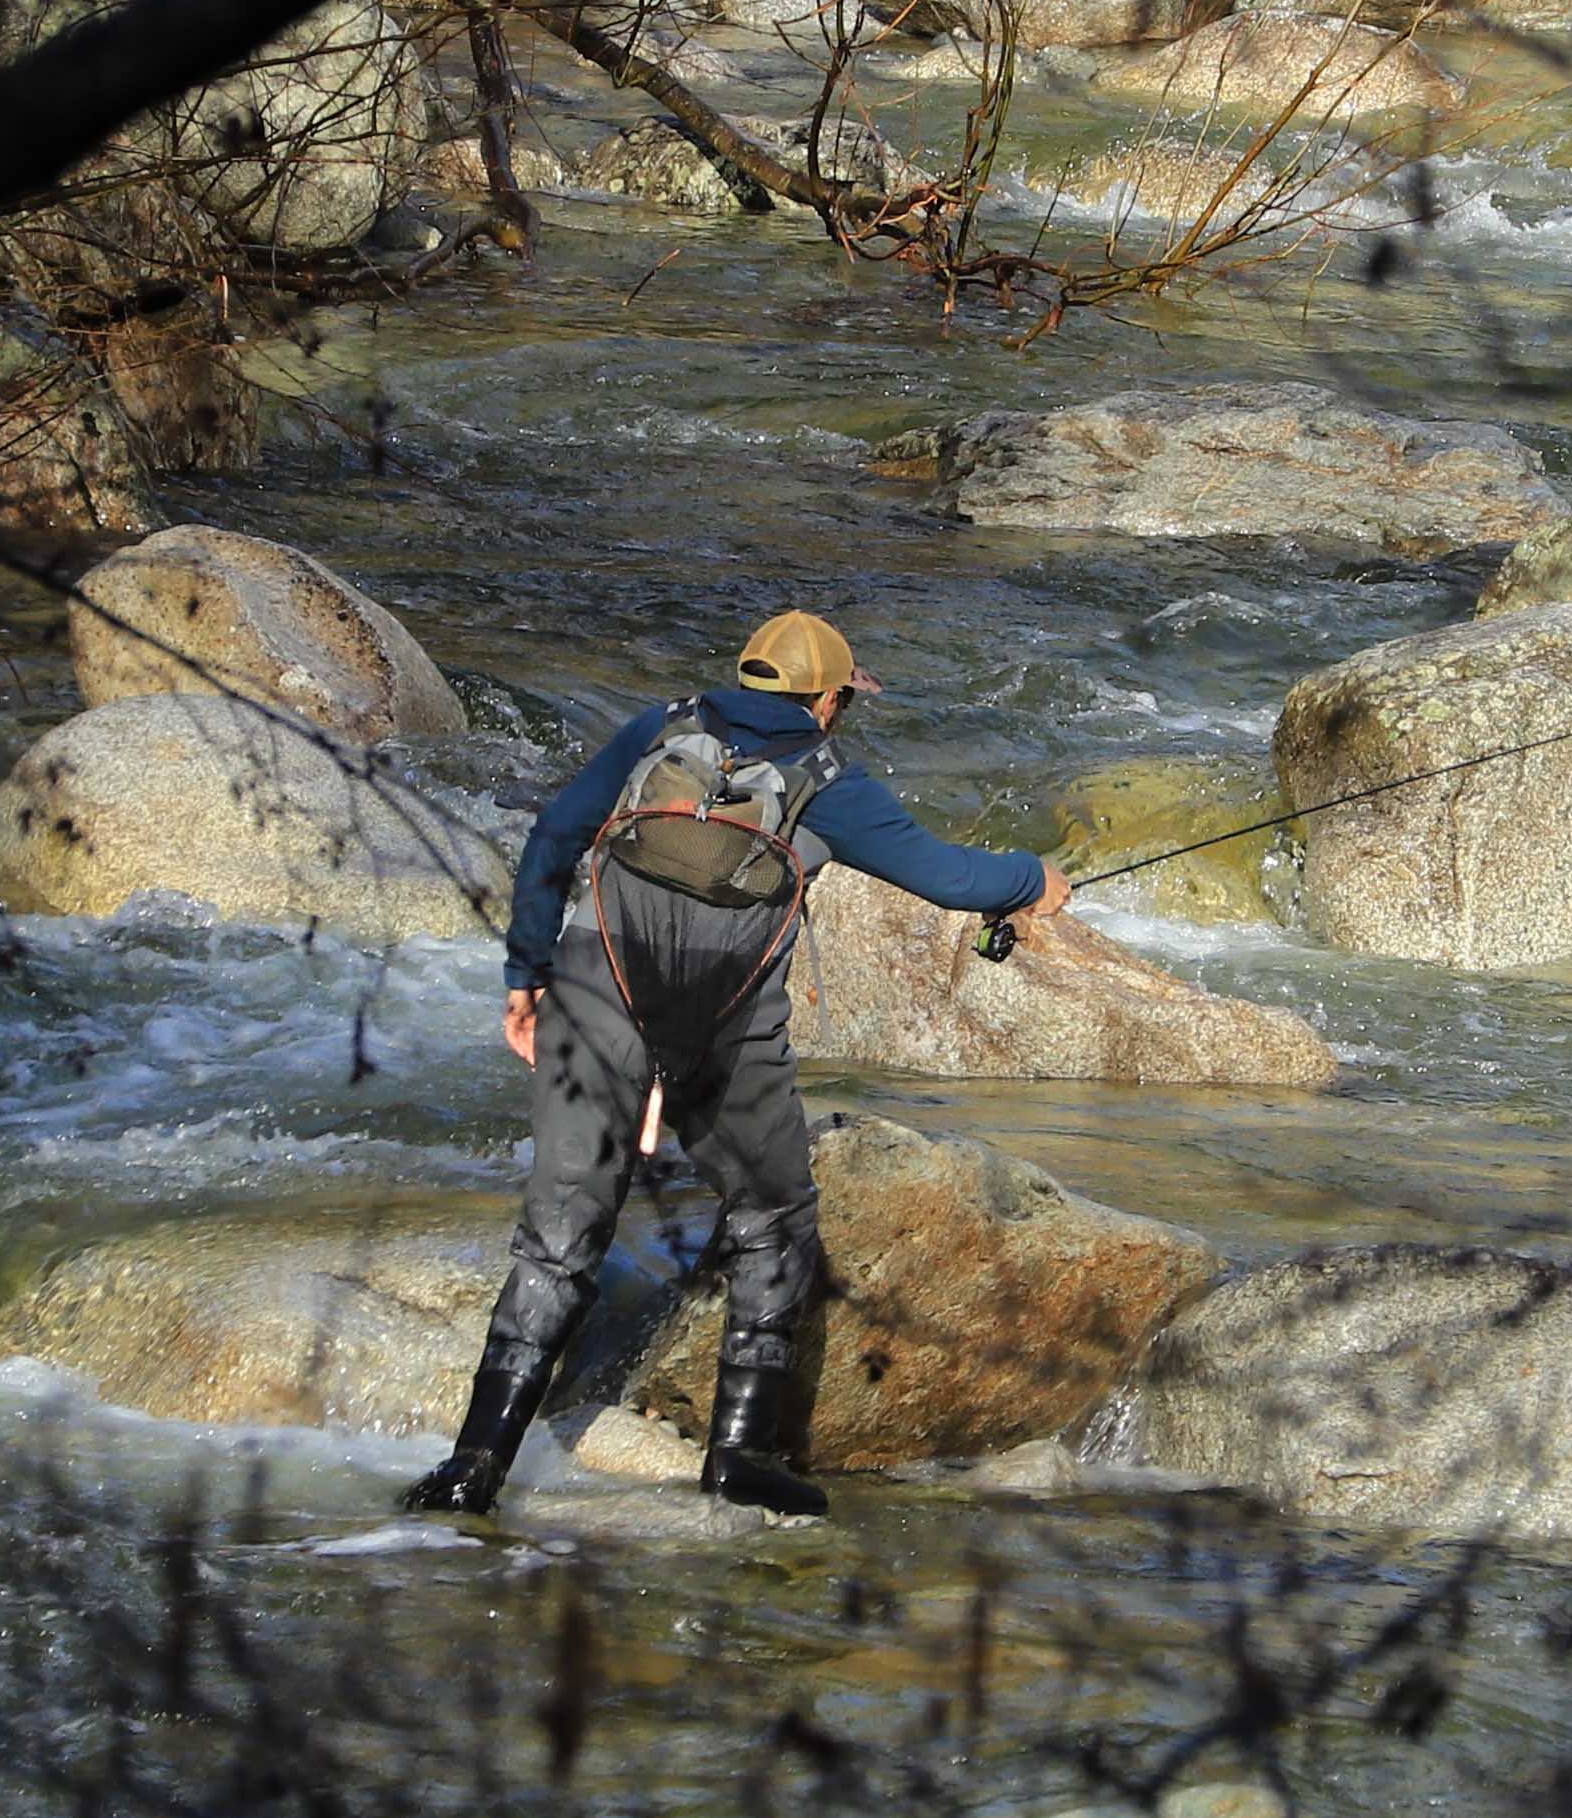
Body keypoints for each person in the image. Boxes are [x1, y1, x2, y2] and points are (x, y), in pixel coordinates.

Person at [403, 610, 1071, 1521]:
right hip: (729, 1034)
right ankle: (739, 1460)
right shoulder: (833, 783)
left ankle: (472, 1469)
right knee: (774, 1219)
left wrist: (526, 973)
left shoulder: (658, 730)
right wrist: (1034, 879)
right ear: (828, 701)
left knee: (559, 1237)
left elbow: (556, 836)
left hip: (598, 1002)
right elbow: (955, 880)